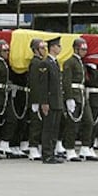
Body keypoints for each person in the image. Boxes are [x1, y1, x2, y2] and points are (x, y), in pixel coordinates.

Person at [62, 38, 98, 161]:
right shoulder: (70, 62)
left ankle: (85, 147)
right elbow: (66, 82)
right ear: (76, 49)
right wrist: (69, 98)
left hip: (82, 95)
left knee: (89, 121)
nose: (85, 51)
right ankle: (70, 150)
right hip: (74, 95)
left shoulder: (80, 63)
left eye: (85, 49)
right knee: (72, 124)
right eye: (83, 49)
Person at [38, 36, 65, 164]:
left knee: (55, 129)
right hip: (50, 101)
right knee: (48, 129)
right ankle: (47, 154)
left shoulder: (55, 63)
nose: (60, 48)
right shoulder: (45, 63)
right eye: (58, 46)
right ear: (53, 47)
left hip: (57, 101)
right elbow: (43, 85)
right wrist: (44, 102)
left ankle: (52, 152)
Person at [27, 39, 46, 160]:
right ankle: (33, 148)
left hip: (41, 97)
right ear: (35, 50)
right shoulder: (35, 63)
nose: (44, 50)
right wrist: (35, 101)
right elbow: (34, 83)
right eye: (42, 48)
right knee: (36, 124)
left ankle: (37, 146)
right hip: (36, 98)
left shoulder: (40, 62)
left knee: (40, 123)